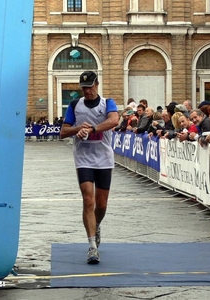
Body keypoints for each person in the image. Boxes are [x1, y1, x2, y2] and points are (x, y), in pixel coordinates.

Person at [60, 71, 119, 264]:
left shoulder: (107, 103)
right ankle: (92, 246)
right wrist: (78, 129)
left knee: (101, 205)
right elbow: (63, 132)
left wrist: (93, 128)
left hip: (103, 158)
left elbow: (114, 121)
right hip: (83, 157)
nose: (87, 91)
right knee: (88, 200)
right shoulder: (75, 105)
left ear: (97, 84)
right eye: (84, 88)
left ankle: (97, 224)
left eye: (90, 86)